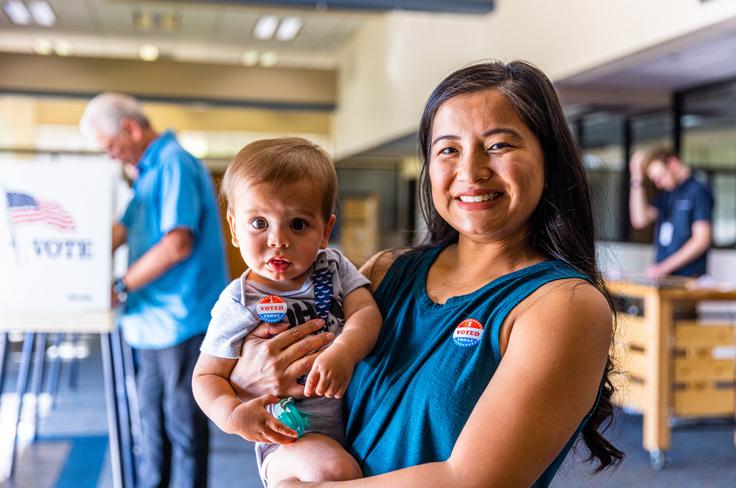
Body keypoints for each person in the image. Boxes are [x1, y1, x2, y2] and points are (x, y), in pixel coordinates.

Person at [228, 60, 624, 487]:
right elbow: (274, 392)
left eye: (499, 145)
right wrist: (246, 377)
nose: (470, 171)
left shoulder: (563, 306)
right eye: (449, 149)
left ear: (549, 158)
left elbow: (471, 482)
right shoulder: (383, 273)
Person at [191, 138, 382, 486]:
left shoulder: (332, 267)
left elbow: (365, 314)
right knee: (334, 472)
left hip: (352, 424)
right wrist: (233, 415)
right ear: (234, 229)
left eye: (297, 224)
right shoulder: (240, 300)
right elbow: (206, 377)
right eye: (259, 223)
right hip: (288, 435)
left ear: (325, 231)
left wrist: (344, 349)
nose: (278, 239)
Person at [80, 92, 228, 488]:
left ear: (130, 127)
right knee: (151, 425)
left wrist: (118, 285)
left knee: (183, 429)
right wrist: (75, 263)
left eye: (111, 146)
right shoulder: (147, 171)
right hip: (149, 322)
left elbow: (176, 244)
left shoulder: (175, 163)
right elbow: (122, 229)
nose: (111, 156)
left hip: (181, 320)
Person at [629, 147, 714, 279]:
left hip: (687, 278)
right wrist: (636, 178)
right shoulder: (668, 193)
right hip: (664, 277)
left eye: (660, 177)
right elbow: (639, 219)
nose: (659, 184)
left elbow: (701, 239)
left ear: (672, 163)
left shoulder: (698, 189)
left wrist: (663, 268)